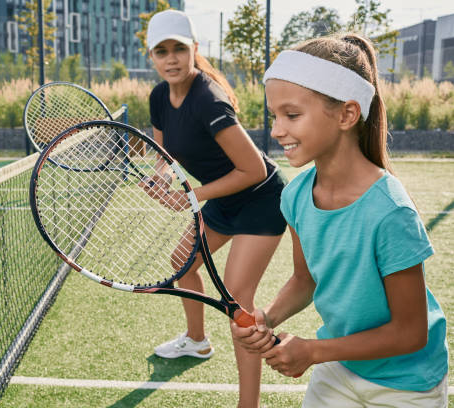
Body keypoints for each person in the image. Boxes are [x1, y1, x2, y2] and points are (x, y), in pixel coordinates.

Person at [231, 33, 449, 407]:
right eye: (274, 117)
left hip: (407, 385)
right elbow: (306, 278)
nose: (277, 130)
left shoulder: (390, 211)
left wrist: (314, 351)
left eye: (292, 115)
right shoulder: (295, 196)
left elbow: (411, 332)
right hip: (340, 369)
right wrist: (268, 316)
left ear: (347, 114)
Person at [142, 10, 288, 408]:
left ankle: (248, 404)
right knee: (183, 262)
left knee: (238, 296)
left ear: (194, 50)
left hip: (261, 198)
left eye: (179, 49)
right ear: (151, 55)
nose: (171, 58)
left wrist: (192, 195)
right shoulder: (159, 96)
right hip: (224, 198)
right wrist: (160, 176)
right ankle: (197, 341)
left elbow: (253, 169)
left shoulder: (208, 99)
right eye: (162, 51)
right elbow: (163, 151)